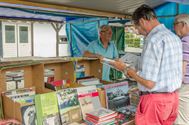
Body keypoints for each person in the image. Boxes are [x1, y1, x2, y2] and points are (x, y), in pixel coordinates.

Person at [111, 4, 182, 125]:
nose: (138, 32)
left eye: (136, 27)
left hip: (155, 101)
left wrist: (126, 69)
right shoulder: (173, 37)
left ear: (142, 21)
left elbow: (148, 82)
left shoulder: (153, 40)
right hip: (172, 99)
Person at [174, 14, 189, 125]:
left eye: (175, 24)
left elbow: (182, 68)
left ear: (183, 25)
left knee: (181, 119)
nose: (174, 27)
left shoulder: (184, 41)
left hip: (185, 85)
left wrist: (175, 87)